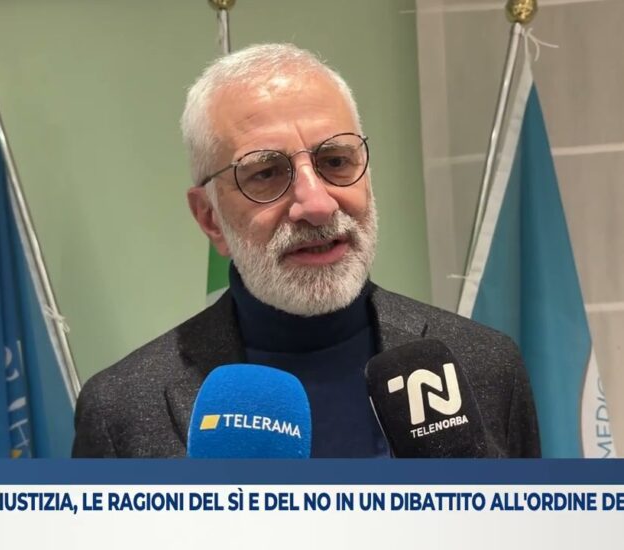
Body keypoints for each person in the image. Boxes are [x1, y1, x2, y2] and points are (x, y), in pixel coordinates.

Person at [72, 43, 540, 458]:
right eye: (265, 173)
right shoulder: (121, 411)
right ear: (210, 218)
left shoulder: (485, 364)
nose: (317, 205)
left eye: (336, 161)